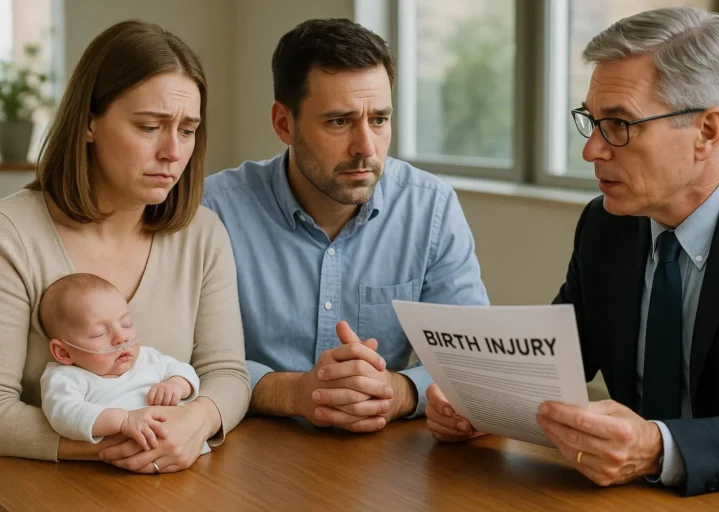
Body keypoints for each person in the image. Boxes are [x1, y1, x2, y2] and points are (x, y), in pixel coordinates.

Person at [425, 6, 719, 496]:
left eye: (621, 125)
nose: (592, 151)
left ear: (707, 132)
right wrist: (482, 402)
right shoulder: (604, 226)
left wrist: (660, 446)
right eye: (592, 121)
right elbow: (556, 361)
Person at [203, 18, 489, 433]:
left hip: (382, 459)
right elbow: (179, 357)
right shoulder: (216, 211)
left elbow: (473, 359)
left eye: (379, 119)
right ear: (284, 123)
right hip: (245, 451)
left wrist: (397, 391)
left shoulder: (431, 208)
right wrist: (292, 392)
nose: (366, 148)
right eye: (339, 121)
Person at [0, 20, 250, 473]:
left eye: (188, 130)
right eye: (150, 126)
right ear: (90, 123)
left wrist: (197, 420)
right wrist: (121, 442)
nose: (173, 151)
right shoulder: (11, 236)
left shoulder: (203, 233)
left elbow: (228, 374)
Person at [39, 273, 210, 455]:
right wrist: (123, 421)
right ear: (64, 352)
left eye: (126, 324)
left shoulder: (147, 357)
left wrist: (177, 384)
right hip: (126, 470)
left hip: (190, 451)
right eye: (99, 333)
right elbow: (65, 415)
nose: (121, 337)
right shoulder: (66, 378)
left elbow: (183, 369)